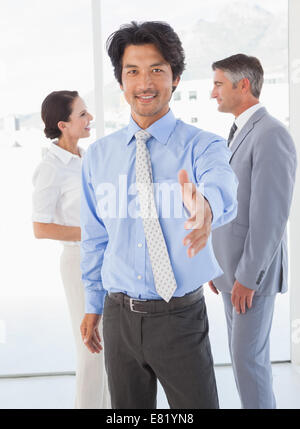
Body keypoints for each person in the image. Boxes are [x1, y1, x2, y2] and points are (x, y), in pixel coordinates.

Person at [80, 21, 238, 409]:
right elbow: (95, 237)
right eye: (132, 71)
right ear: (121, 81)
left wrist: (207, 207)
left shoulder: (204, 146)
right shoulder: (99, 157)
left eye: (156, 70)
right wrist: (92, 303)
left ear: (176, 78)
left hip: (179, 317)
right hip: (118, 316)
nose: (144, 82)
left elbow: (223, 186)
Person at [209, 54, 297, 409]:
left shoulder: (271, 134)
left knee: (249, 363)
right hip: (231, 274)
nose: (213, 93)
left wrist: (248, 276)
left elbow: (270, 216)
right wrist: (216, 267)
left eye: (218, 84)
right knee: (243, 360)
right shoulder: (240, 132)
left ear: (242, 85)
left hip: (250, 277)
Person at [32, 90, 110, 409]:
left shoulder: (88, 157)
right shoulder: (51, 166)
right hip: (79, 261)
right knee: (92, 350)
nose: (89, 118)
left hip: (107, 259)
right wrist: (91, 232)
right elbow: (41, 227)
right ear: (63, 125)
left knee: (111, 350)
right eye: (82, 114)